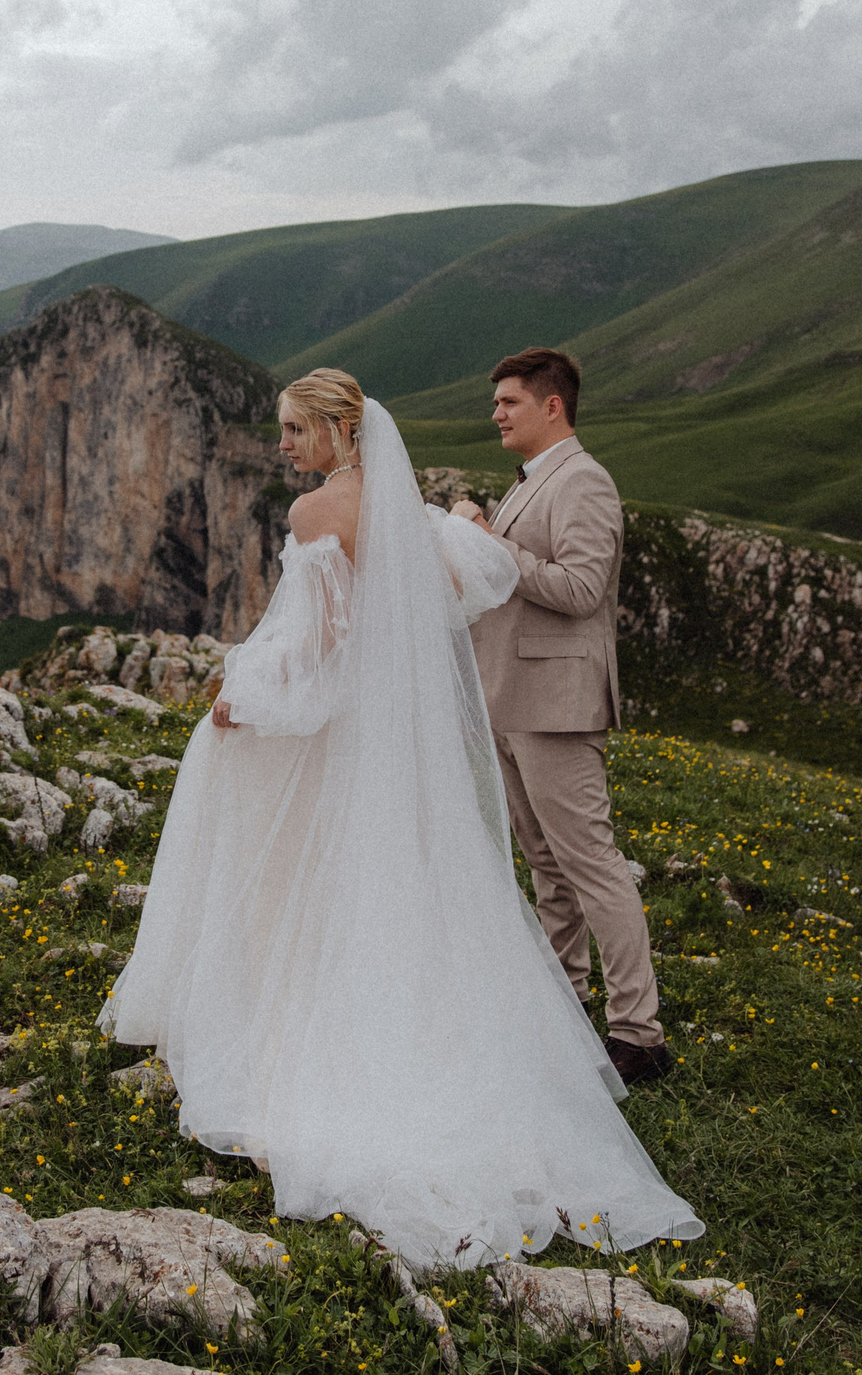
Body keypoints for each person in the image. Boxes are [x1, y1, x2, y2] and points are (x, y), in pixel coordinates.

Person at [103, 367, 700, 1269]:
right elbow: (453, 593)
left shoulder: (315, 516)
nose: (284, 449)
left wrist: (249, 695)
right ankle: (544, 1022)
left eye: (295, 431)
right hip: (395, 726)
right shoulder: (406, 513)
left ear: (337, 431)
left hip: (362, 725)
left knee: (325, 872)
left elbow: (325, 638)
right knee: (410, 879)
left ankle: (625, 1025)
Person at [450, 347, 671, 1087]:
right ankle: (566, 999)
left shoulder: (585, 482)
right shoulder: (529, 484)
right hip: (511, 696)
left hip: (557, 703)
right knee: (546, 864)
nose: (497, 413)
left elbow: (580, 589)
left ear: (553, 405)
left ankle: (639, 1032)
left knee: (592, 864)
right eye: (495, 402)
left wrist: (489, 544)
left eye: (509, 401)